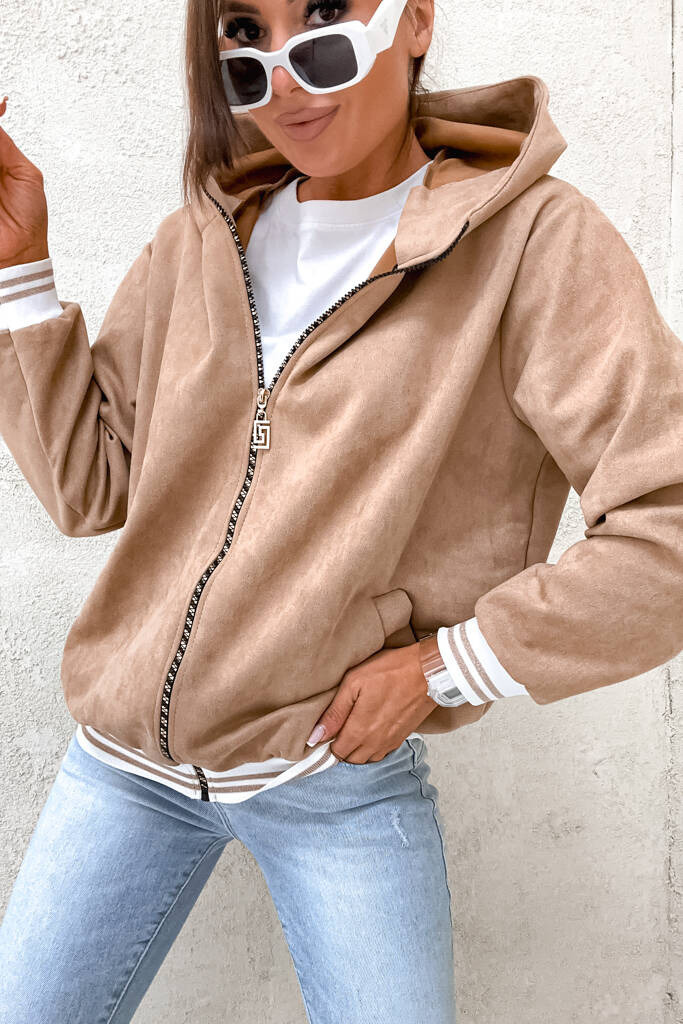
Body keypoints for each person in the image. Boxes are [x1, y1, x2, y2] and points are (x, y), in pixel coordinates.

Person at [0, 0, 682, 1019]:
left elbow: (664, 529)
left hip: (331, 785)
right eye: (245, 35)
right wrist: (20, 268)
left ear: (414, 20)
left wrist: (447, 666)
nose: (283, 74)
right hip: (123, 768)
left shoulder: (533, 243)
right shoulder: (202, 237)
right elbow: (90, 485)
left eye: (321, 18)